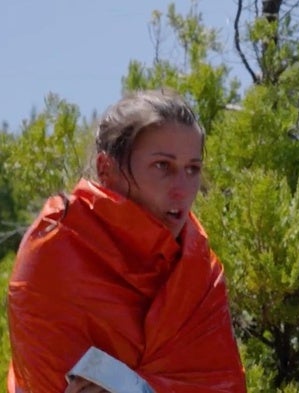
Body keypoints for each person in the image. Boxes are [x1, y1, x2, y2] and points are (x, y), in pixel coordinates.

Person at [8, 89, 247, 392]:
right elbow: (44, 378)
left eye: (192, 169)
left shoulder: (201, 274)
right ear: (107, 169)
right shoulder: (55, 251)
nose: (182, 189)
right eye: (163, 166)